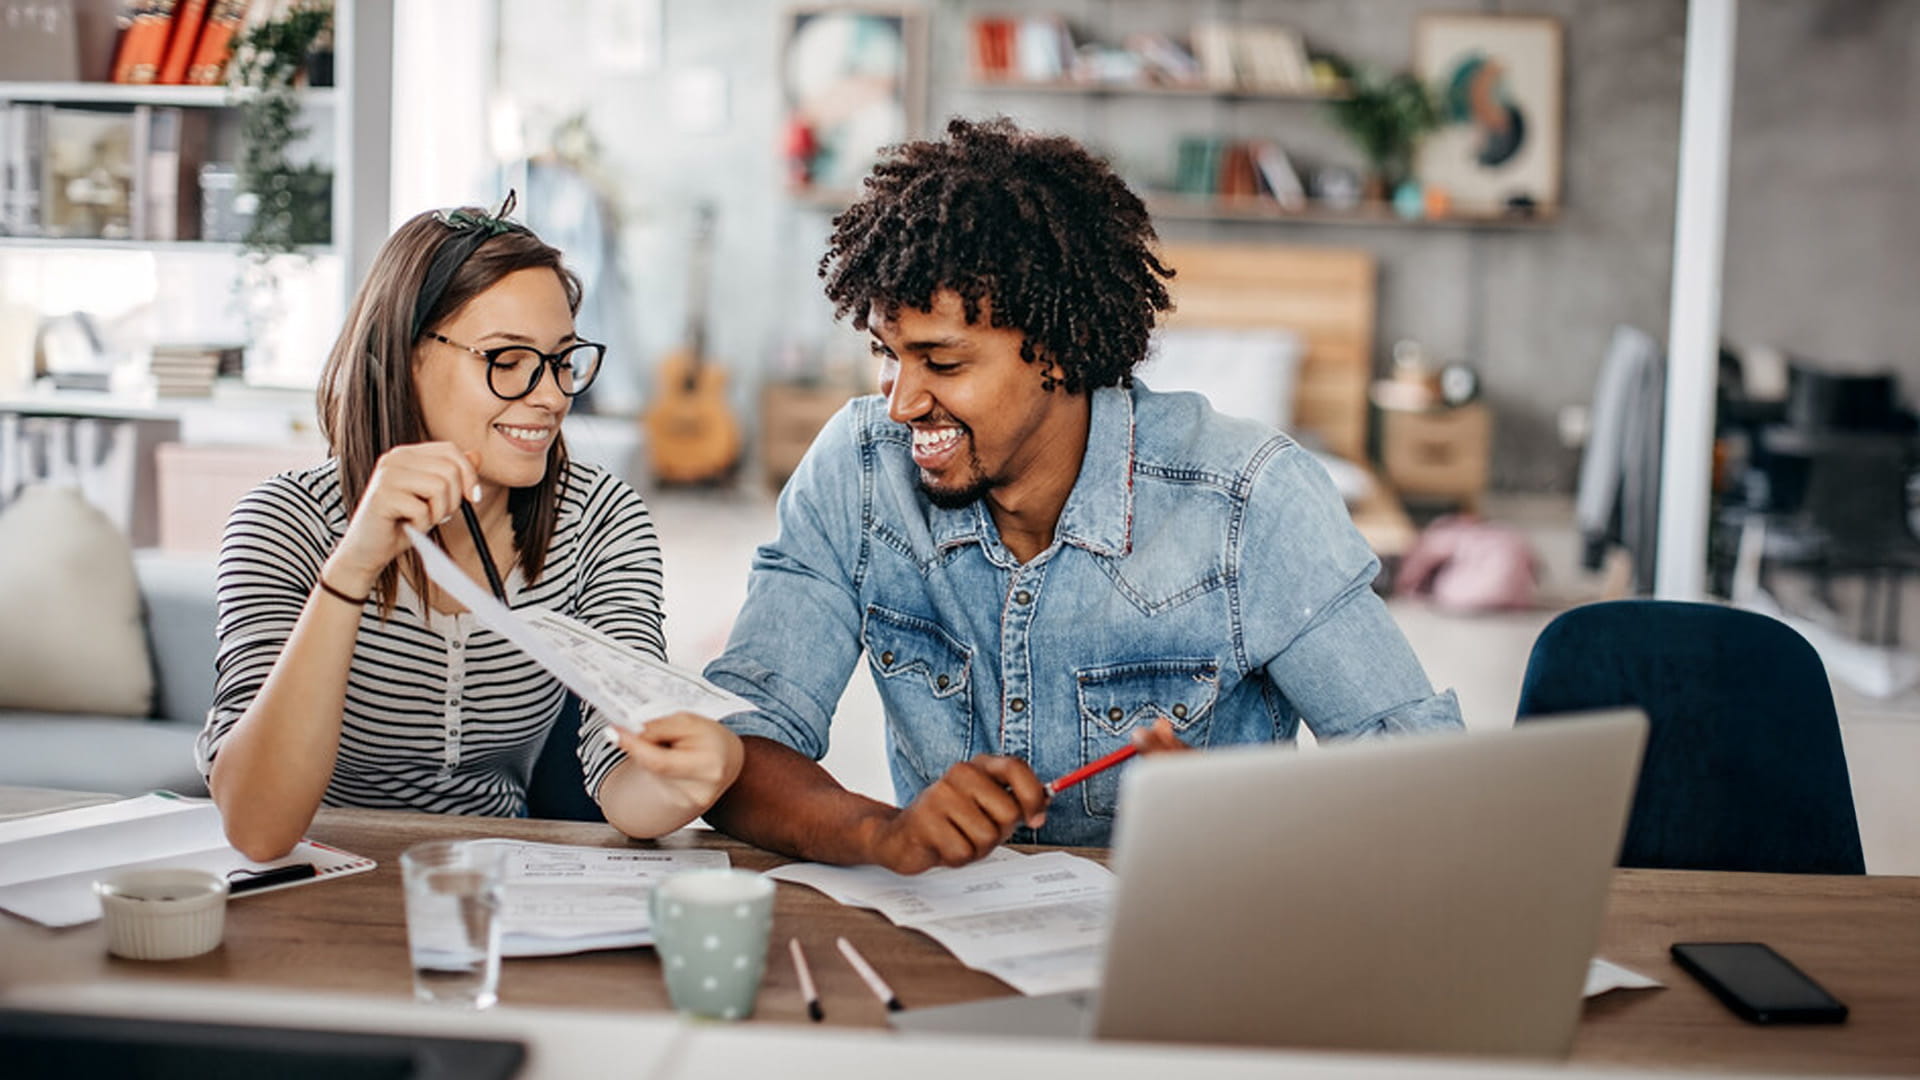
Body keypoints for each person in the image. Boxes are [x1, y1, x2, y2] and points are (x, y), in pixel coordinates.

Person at [702, 118, 1462, 873]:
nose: (901, 403)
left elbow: (1427, 789)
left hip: (1193, 943)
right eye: (886, 354)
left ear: (1057, 353)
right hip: (952, 950)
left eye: (942, 361)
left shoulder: (1250, 502)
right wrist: (883, 834)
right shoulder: (859, 471)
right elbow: (734, 746)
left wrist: (1249, 816)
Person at [198, 198, 741, 860]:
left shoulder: (600, 518)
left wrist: (687, 782)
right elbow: (258, 829)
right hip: (316, 874)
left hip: (496, 878)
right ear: (403, 356)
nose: (551, 396)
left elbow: (621, 781)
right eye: (507, 360)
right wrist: (349, 571)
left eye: (563, 359)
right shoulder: (283, 522)